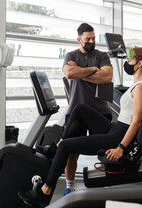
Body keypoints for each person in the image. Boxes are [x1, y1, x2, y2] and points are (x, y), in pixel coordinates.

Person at [19, 47, 142, 207]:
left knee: (67, 146)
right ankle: (57, 146)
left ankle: (44, 191)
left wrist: (120, 148)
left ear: (140, 63)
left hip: (117, 137)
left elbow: (136, 121)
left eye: (130, 61)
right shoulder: (136, 85)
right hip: (116, 129)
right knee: (80, 108)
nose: (127, 63)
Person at [38, 23, 113, 196]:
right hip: (76, 113)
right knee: (70, 151)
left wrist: (81, 71)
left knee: (104, 151)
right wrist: (94, 70)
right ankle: (69, 186)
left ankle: (104, 183)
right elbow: (70, 74)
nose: (92, 41)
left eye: (94, 38)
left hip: (100, 112)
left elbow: (107, 76)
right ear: (79, 39)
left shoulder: (102, 55)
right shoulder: (71, 55)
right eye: (88, 39)